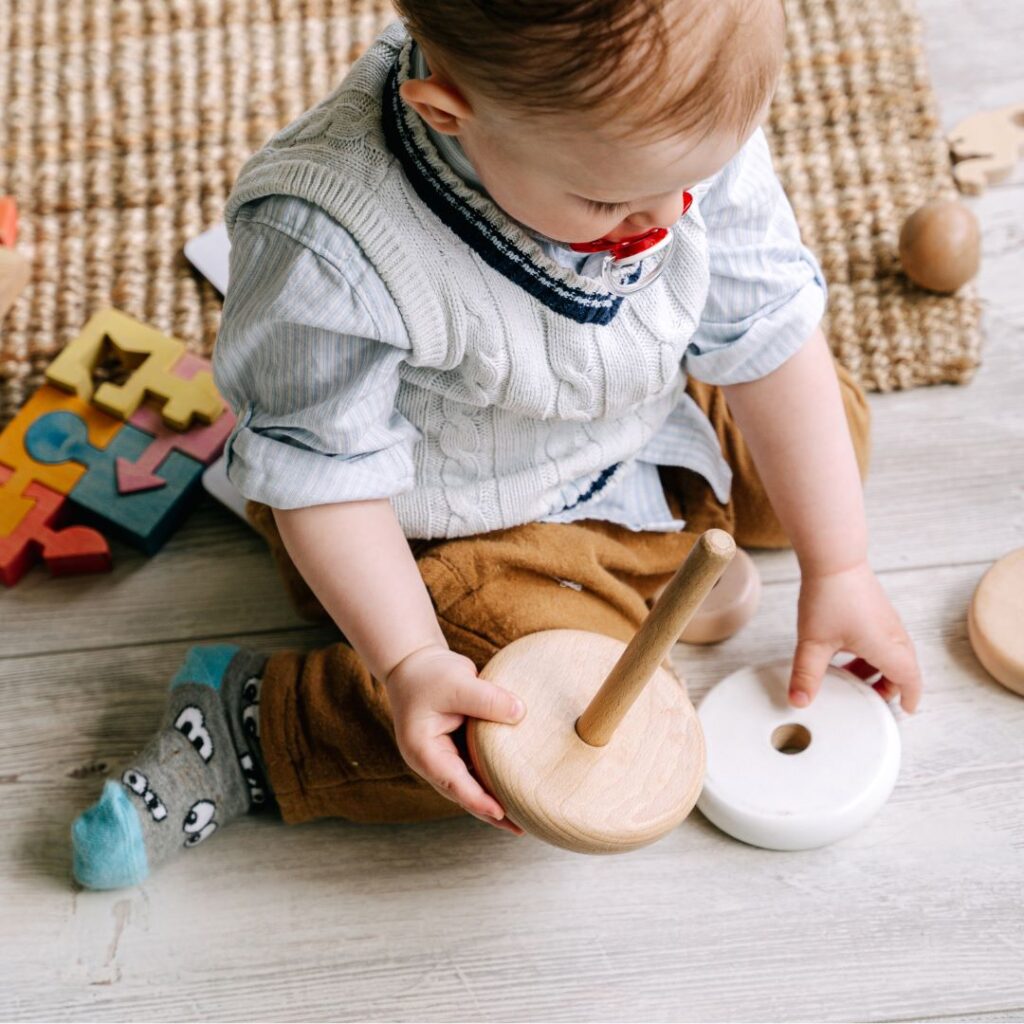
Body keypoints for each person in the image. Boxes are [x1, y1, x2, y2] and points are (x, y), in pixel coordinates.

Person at [70, 0, 922, 890]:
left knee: (831, 438)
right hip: (448, 521)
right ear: (448, 112)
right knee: (515, 729)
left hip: (633, 407)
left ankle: (656, 545)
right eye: (608, 200)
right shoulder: (328, 241)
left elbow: (764, 324)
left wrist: (842, 567)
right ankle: (255, 726)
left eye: (693, 178)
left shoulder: (668, 127)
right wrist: (408, 662)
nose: (667, 217)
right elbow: (325, 483)